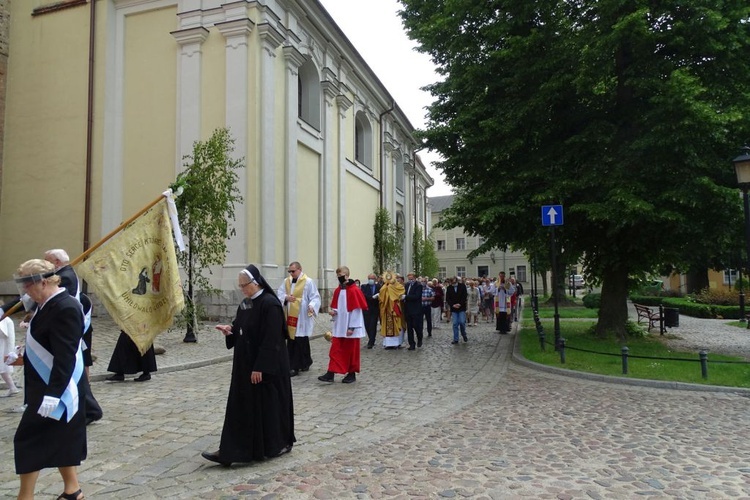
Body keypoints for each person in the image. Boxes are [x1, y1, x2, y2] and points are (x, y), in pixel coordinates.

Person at [202, 264, 295, 465]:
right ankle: (233, 449)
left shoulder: (270, 304)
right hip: (244, 366)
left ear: (256, 282)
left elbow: (273, 339)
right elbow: (241, 327)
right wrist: (230, 331)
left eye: (245, 285)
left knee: (268, 408)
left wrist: (260, 366)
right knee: (241, 407)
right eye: (240, 286)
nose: (242, 289)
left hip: (265, 369)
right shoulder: (245, 304)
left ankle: (274, 444)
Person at [12, 259, 86, 500]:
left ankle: (25, 496)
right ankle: (73, 490)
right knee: (62, 439)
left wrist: (53, 394)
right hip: (43, 387)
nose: (25, 290)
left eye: (28, 284)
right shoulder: (45, 304)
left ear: (44, 282)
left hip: (55, 390)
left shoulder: (65, 307)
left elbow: (66, 358)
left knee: (27, 440)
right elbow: (47, 343)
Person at [44, 249, 103, 424]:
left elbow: (62, 303)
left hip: (69, 329)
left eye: (46, 260)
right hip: (68, 329)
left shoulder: (65, 276)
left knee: (74, 371)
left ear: (56, 261)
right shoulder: (63, 273)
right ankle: (88, 408)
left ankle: (91, 409)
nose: (44, 263)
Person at [318, 266, 368, 383]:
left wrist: (352, 327)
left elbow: (356, 310)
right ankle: (331, 373)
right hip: (340, 326)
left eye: (340, 276)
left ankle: (351, 374)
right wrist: (333, 311)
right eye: (337, 276)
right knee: (335, 350)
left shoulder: (354, 290)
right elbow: (337, 306)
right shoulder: (338, 290)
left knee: (352, 352)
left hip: (351, 328)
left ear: (346, 276)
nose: (338, 278)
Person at [277, 261, 320, 376]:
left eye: (293, 271)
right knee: (292, 341)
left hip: (302, 316)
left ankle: (302, 363)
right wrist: (286, 297)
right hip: (290, 314)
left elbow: (315, 296)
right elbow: (279, 294)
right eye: (289, 271)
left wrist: (312, 306)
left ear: (300, 269)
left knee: (301, 339)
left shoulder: (308, 281)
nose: (291, 273)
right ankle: (296, 364)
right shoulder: (287, 281)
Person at [378, 271, 405, 350]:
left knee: (396, 325)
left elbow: (400, 293)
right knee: (387, 326)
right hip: (386, 309)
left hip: (394, 308)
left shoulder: (398, 286)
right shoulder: (384, 286)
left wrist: (393, 294)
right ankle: (388, 344)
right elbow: (381, 296)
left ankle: (397, 343)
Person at [0, 309, 20, 397]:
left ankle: (13, 388)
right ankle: (12, 388)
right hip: (3, 345)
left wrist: (10, 351)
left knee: (3, 368)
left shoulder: (6, 320)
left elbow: (6, 335)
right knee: (3, 369)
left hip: (4, 346)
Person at [403, 272, 424, 351]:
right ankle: (411, 344)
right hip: (408, 309)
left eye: (410, 276)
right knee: (409, 327)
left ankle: (420, 338)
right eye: (408, 276)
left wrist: (406, 297)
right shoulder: (407, 285)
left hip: (416, 309)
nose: (409, 277)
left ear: (414, 277)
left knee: (416, 326)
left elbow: (417, 296)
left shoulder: (418, 285)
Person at [444, 276, 468, 344]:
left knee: (462, 322)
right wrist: (452, 305)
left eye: (454, 282)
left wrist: (460, 304)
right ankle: (456, 339)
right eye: (452, 282)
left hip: (461, 307)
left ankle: (464, 334)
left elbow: (464, 296)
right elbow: (448, 298)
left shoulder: (462, 286)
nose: (453, 283)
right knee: (455, 323)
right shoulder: (449, 288)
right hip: (454, 308)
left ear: (457, 281)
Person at [360, 273, 381, 349]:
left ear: (375, 279)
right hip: (366, 308)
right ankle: (371, 338)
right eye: (369, 278)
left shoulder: (379, 287)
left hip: (375, 309)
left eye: (372, 278)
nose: (370, 280)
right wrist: (372, 297)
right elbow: (363, 295)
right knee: (367, 325)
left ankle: (371, 341)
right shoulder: (364, 287)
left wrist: (378, 297)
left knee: (373, 325)